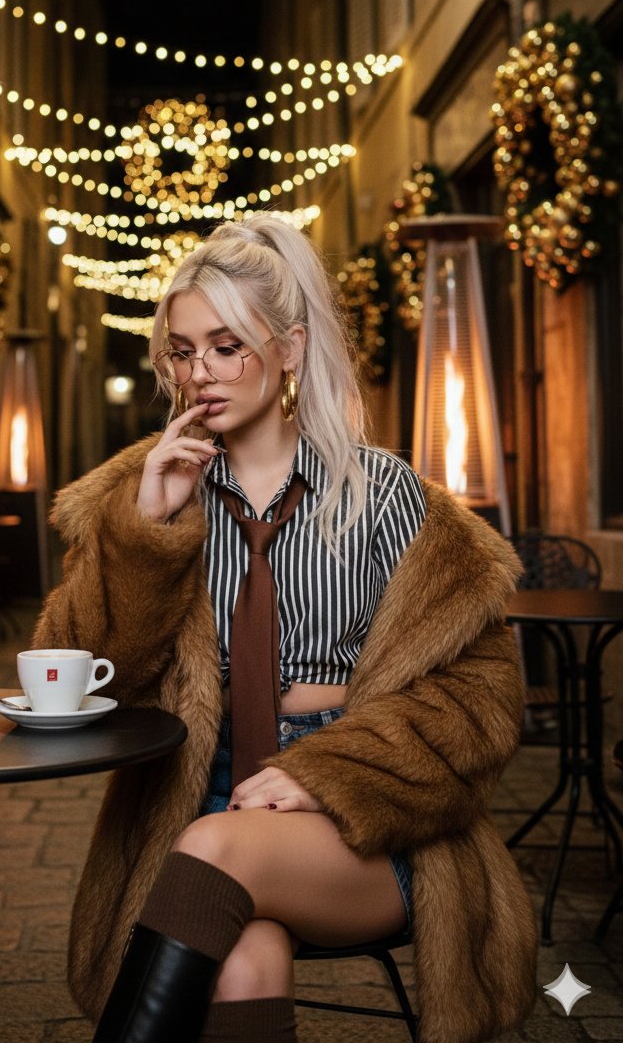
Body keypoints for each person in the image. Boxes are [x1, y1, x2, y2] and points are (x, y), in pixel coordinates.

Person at [32, 214, 537, 1043]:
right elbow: (80, 674)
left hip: (369, 807)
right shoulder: (148, 489)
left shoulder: (386, 495)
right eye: (183, 351)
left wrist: (331, 773)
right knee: (242, 957)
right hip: (201, 790)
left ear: (292, 349)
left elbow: (481, 702)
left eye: (227, 346)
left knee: (221, 850)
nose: (201, 373)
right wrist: (146, 537)